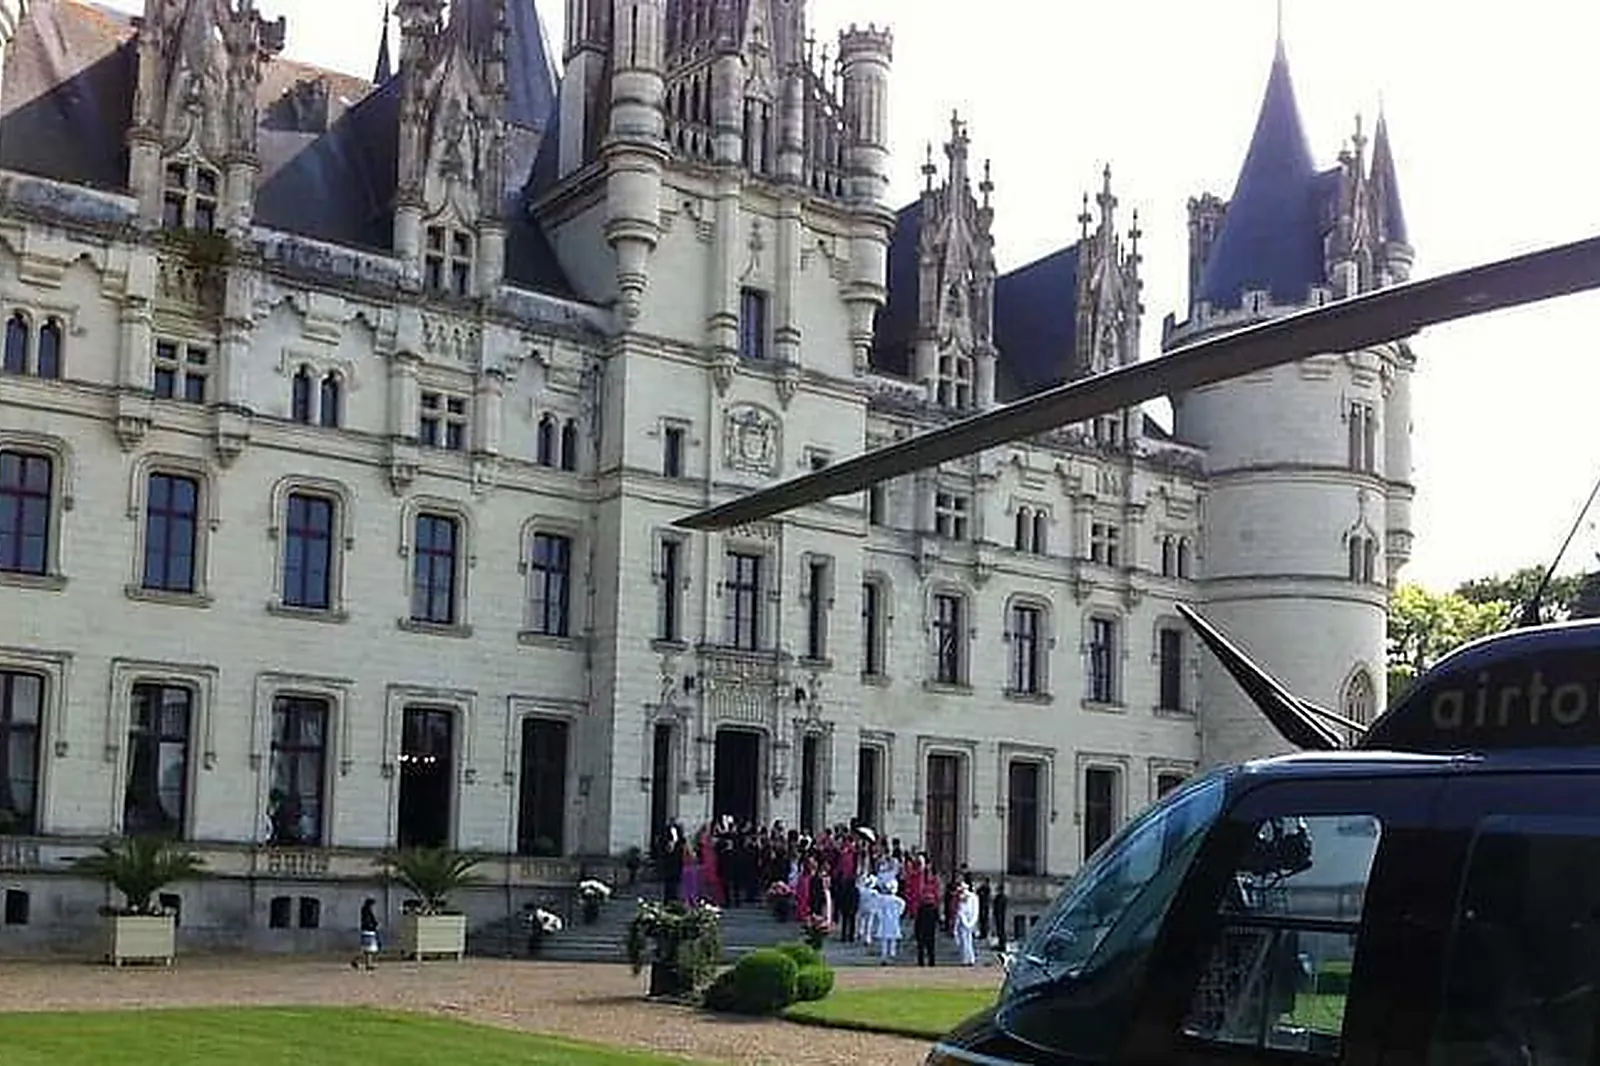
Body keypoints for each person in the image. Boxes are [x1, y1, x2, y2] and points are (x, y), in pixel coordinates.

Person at [351, 898, 380, 971]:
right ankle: (359, 961)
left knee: (368, 950)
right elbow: (368, 921)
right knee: (367, 949)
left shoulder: (366, 910)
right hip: (368, 931)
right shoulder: (366, 911)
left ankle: (368, 964)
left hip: (368, 930)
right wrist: (373, 926)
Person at [955, 881, 979, 965]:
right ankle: (965, 958)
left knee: (968, 941)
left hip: (969, 920)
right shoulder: (961, 898)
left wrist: (971, 922)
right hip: (963, 920)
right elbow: (959, 910)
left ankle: (969, 959)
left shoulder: (972, 897)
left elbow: (974, 911)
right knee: (963, 941)